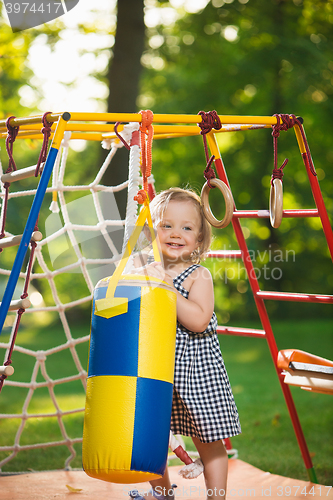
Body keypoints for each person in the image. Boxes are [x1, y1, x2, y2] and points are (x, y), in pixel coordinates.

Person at [130, 188, 241, 500]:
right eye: (166, 225)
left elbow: (198, 320)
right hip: (155, 372)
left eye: (186, 227)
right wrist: (140, 279)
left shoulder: (197, 276)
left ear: (200, 238)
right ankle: (163, 493)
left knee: (208, 440)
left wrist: (164, 287)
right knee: (148, 438)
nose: (175, 234)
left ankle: (216, 496)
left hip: (195, 375)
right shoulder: (142, 271)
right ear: (152, 231)